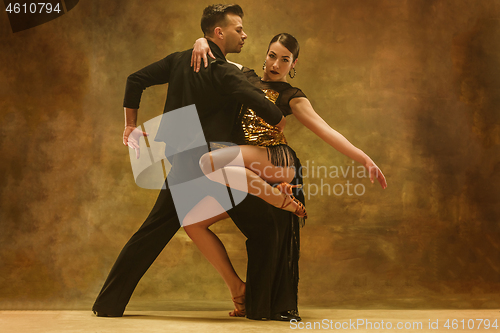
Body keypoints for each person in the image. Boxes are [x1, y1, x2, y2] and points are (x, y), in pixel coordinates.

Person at [92, 4, 301, 321]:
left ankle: (110, 304)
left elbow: (135, 80)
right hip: (213, 165)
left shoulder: (180, 60)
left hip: (190, 161)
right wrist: (274, 118)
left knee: (157, 230)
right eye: (238, 29)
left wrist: (129, 125)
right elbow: (269, 111)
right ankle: (254, 302)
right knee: (262, 228)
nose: (244, 35)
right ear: (219, 32)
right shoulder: (226, 72)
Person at [184, 32, 388, 317]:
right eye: (272, 56)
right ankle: (238, 290)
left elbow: (326, 130)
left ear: (293, 64)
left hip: (275, 160)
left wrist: (363, 158)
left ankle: (279, 198)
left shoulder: (292, 96)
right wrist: (201, 41)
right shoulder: (245, 76)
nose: (276, 64)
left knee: (209, 162)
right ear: (265, 54)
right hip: (245, 168)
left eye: (284, 60)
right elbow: (217, 58)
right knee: (192, 222)